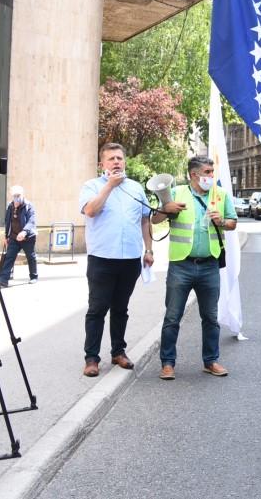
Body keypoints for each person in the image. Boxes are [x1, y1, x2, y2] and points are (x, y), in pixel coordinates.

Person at [151, 157, 237, 380]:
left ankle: (211, 361)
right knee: (172, 317)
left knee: (210, 317)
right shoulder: (177, 192)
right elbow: (155, 219)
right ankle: (168, 364)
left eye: (212, 172)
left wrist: (222, 222)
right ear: (193, 175)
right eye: (207, 172)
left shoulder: (220, 195)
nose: (211, 176)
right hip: (181, 264)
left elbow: (233, 222)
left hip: (209, 265)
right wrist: (165, 208)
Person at [79, 143, 154, 377]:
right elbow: (90, 210)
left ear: (125, 161)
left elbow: (145, 220)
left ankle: (118, 352)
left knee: (121, 308)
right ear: (102, 164)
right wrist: (109, 187)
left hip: (130, 258)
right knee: (97, 309)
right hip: (102, 258)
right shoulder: (91, 186)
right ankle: (91, 358)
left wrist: (149, 249)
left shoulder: (135, 188)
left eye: (119, 158)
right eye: (111, 158)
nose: (116, 162)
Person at [0, 185, 38, 287]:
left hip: (28, 237)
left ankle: (34, 277)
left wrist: (24, 232)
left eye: (18, 195)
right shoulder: (10, 206)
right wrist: (6, 236)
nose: (16, 197)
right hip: (14, 237)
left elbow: (31, 221)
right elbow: (7, 221)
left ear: (22, 195)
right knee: (9, 257)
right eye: (14, 195)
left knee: (30, 257)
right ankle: (3, 280)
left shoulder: (29, 206)